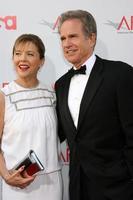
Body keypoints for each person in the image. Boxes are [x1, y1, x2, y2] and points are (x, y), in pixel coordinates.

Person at [55, 9, 133, 200]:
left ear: (91, 38)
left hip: (118, 188)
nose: (67, 44)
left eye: (72, 36)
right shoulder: (61, 84)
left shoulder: (120, 74)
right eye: (63, 38)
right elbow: (58, 133)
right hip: (78, 187)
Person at [0, 34, 62, 200]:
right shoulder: (4, 96)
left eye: (30, 54)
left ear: (41, 61)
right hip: (17, 183)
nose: (22, 59)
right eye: (18, 53)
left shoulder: (52, 94)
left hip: (51, 183)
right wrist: (6, 175)